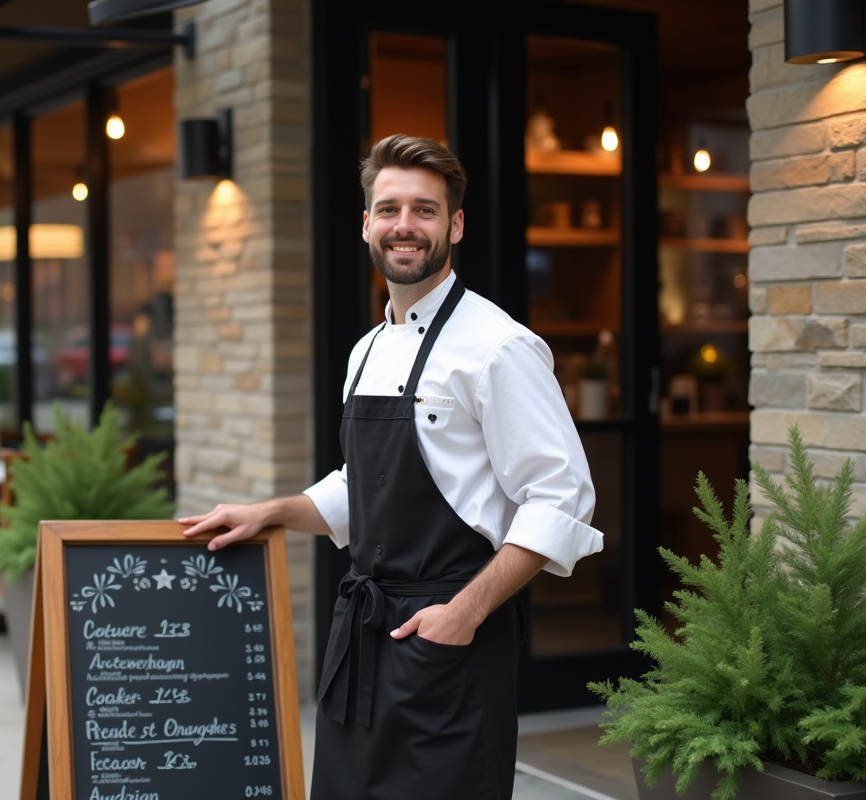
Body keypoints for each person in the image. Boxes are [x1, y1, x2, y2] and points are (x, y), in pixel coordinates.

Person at [180, 134, 603, 800]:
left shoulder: (499, 348)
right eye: (389, 209)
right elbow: (365, 486)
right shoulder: (367, 349)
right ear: (366, 225)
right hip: (365, 639)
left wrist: (463, 613)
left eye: (424, 210)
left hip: (454, 640)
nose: (405, 225)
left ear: (455, 225)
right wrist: (272, 513)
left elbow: (561, 498)